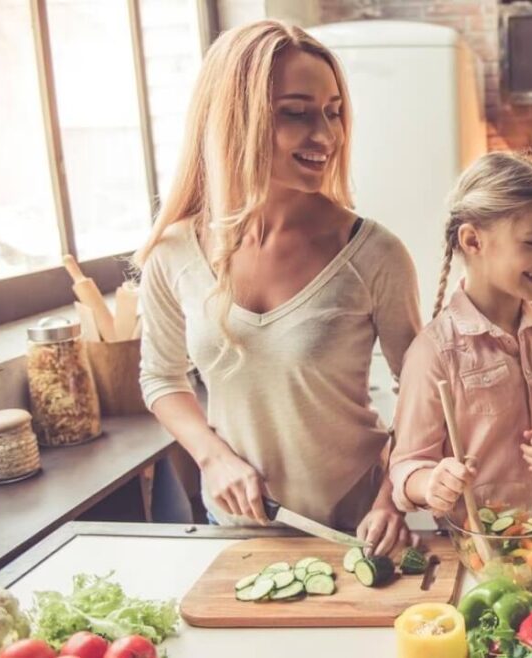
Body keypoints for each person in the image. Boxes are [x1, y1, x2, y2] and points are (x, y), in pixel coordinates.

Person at [137, 20, 420, 554]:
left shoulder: (375, 253)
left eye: (333, 112)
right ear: (234, 120)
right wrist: (213, 457)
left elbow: (422, 395)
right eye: (296, 113)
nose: (327, 136)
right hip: (237, 524)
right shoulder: (173, 252)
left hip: (357, 526)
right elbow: (161, 378)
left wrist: (391, 500)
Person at [389, 152, 532, 517]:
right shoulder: (434, 352)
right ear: (473, 241)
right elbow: (405, 467)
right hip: (478, 550)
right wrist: (431, 483)